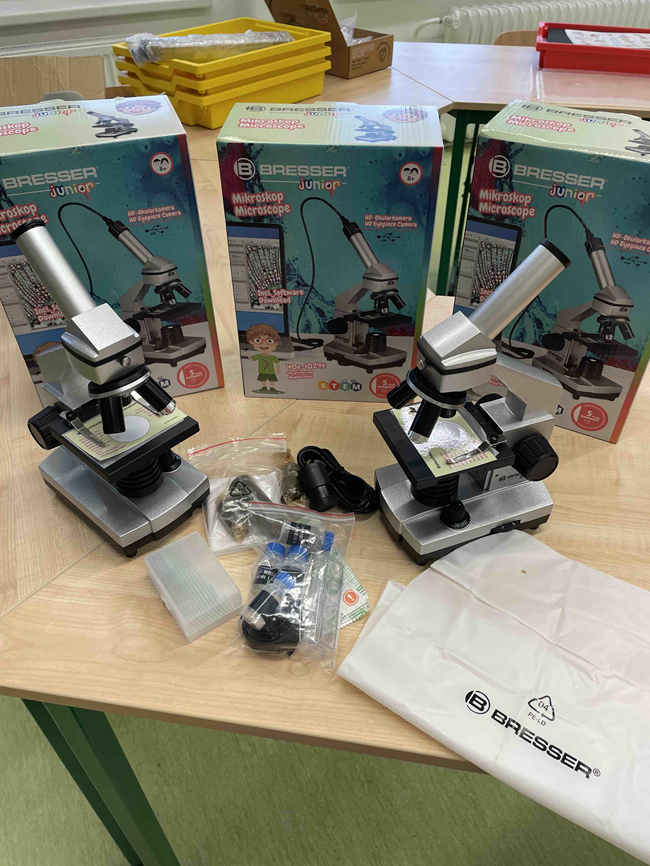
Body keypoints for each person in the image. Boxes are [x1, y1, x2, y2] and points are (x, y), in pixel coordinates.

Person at [246, 323, 283, 394]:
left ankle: (272, 388)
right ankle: (264, 388)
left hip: (271, 372)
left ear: (276, 343)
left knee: (272, 380)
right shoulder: (258, 356)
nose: (263, 344)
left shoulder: (272, 357)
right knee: (263, 380)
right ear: (251, 342)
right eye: (258, 340)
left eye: (269, 341)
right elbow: (252, 360)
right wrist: (247, 353)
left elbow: (277, 362)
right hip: (262, 371)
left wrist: (278, 369)